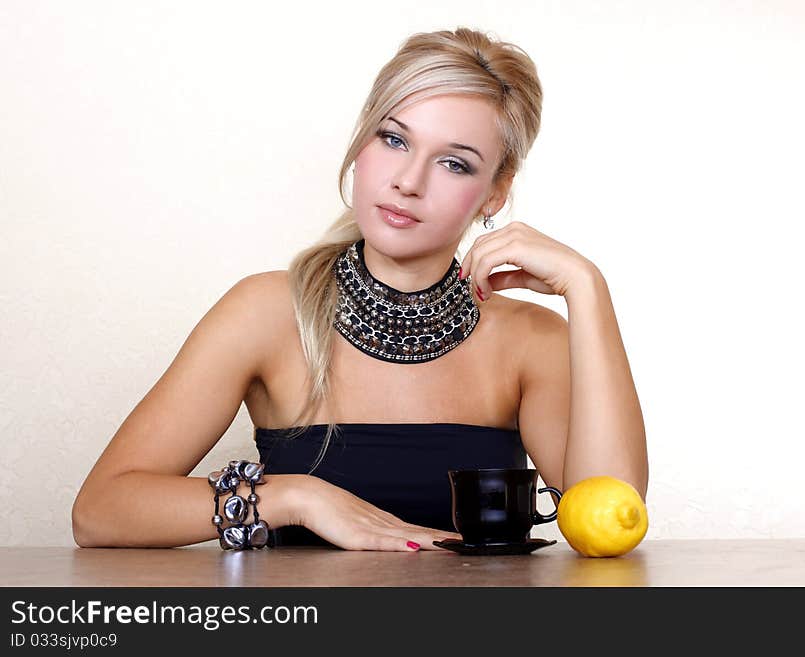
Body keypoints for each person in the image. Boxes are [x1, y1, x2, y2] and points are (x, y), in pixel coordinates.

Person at [71, 27, 648, 552]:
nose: (407, 181)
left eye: (453, 163)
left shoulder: (531, 339)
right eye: (394, 140)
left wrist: (587, 288)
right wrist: (295, 496)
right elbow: (100, 511)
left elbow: (610, 521)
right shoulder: (267, 313)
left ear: (495, 194)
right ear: (362, 144)